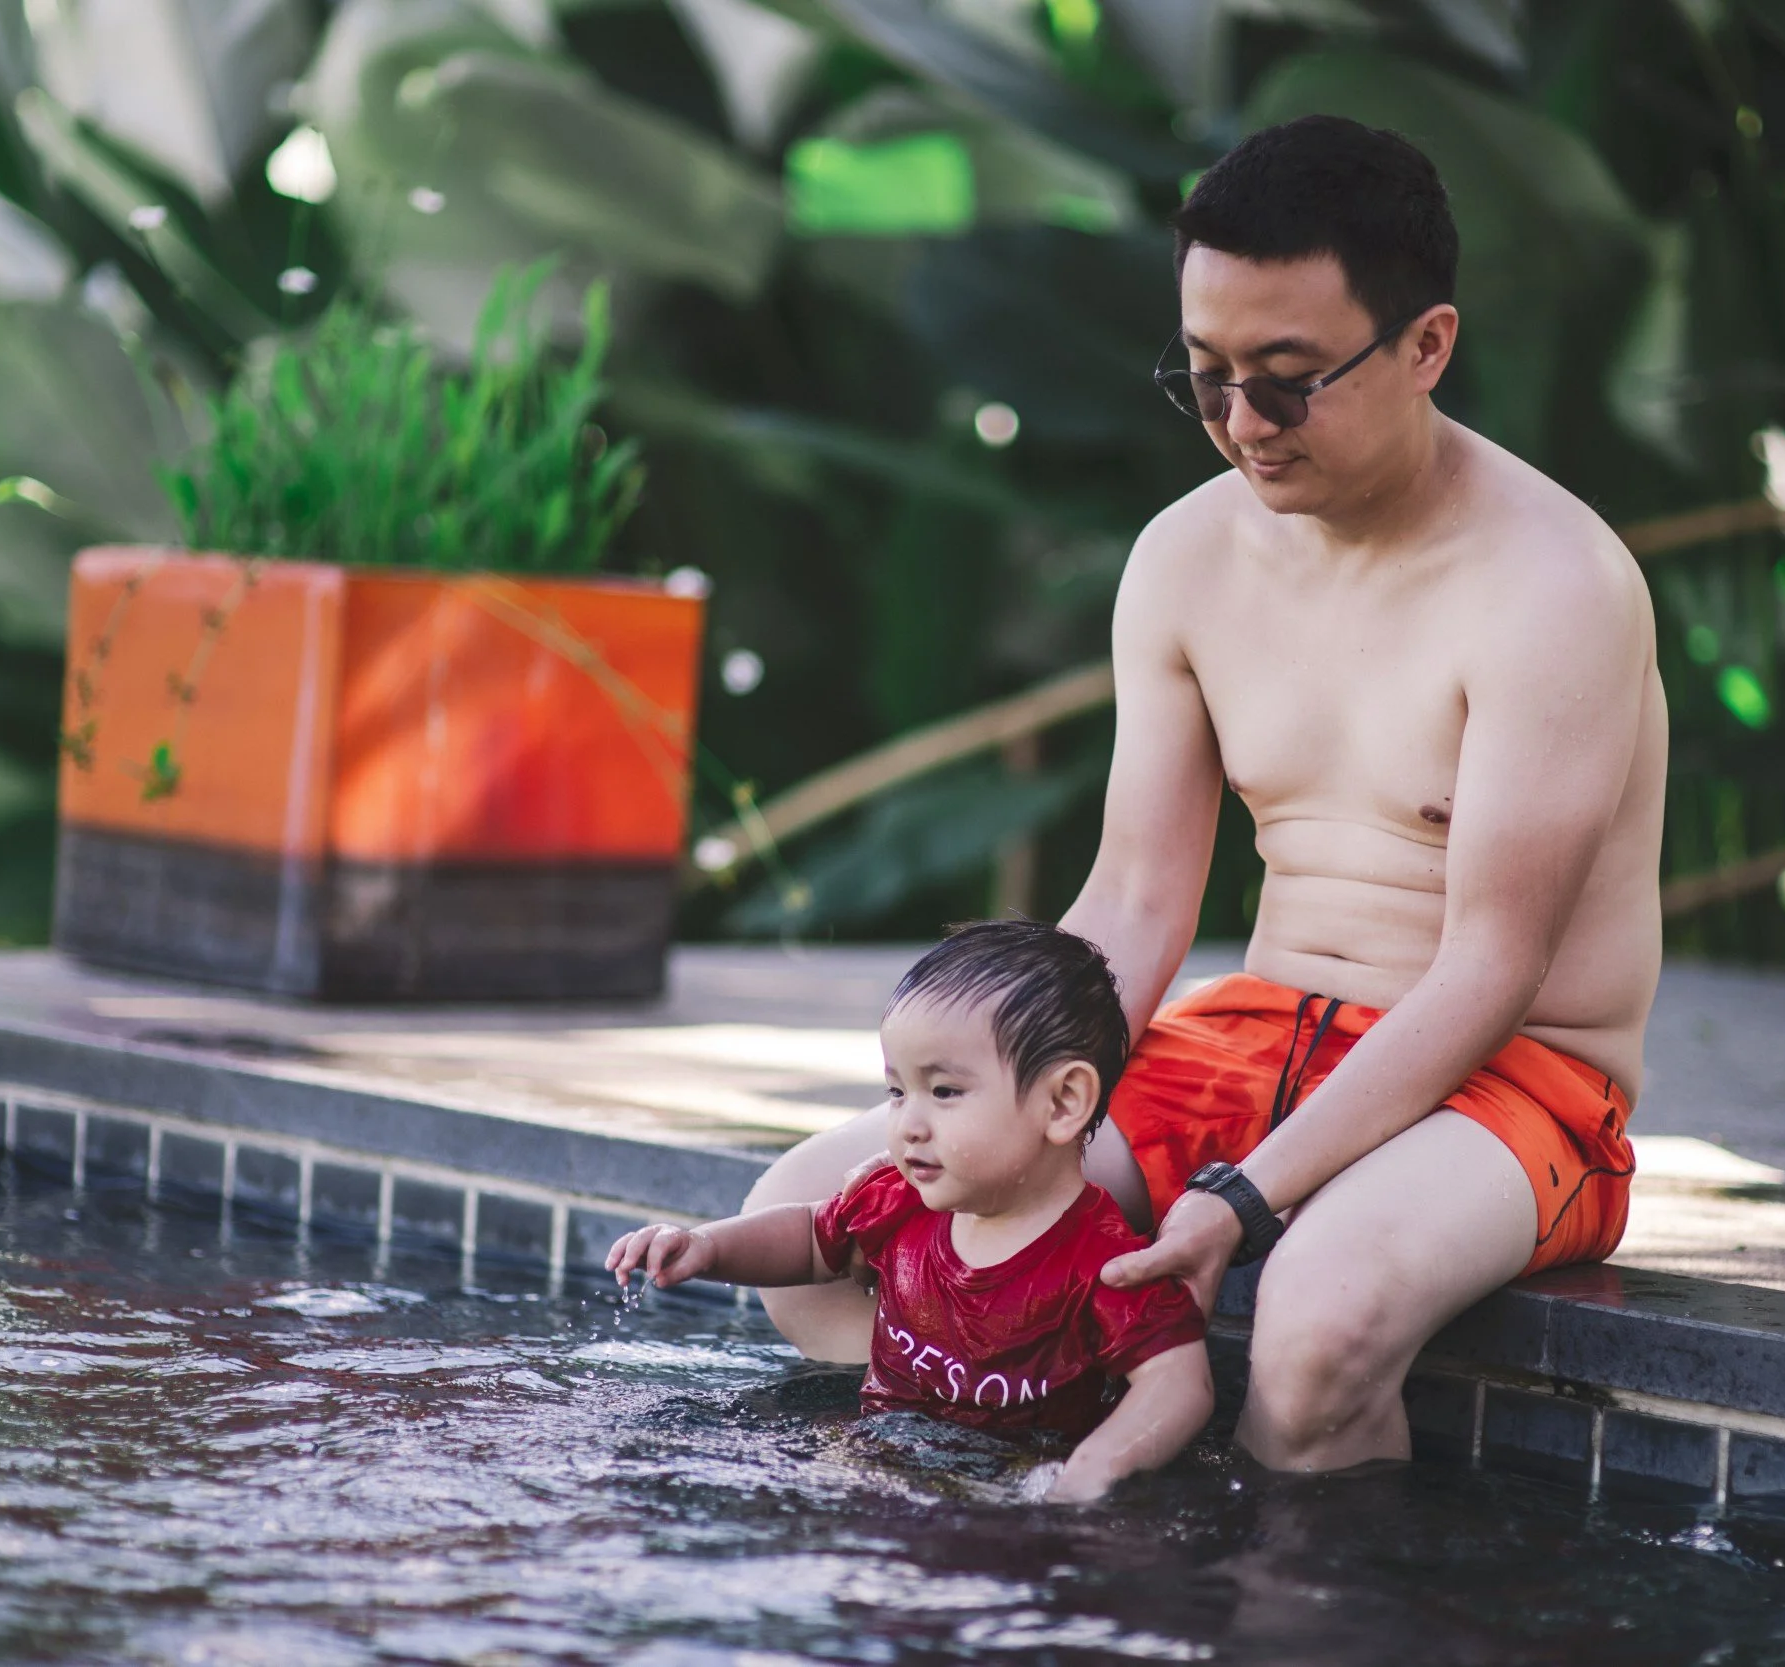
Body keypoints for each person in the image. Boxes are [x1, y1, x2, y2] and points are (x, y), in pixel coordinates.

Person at [746, 114, 1667, 1474]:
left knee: (1316, 1328)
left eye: (1286, 384)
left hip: (1516, 1073)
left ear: (1427, 345)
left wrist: (1247, 1193)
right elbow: (1132, 897)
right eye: (1206, 376)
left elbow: (1491, 965)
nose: (1242, 425)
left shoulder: (1554, 585)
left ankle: (1308, 1580)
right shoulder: (1185, 557)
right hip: (1251, 1039)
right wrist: (1004, 1097)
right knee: (820, 1227)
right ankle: (1041, 1519)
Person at [606, 920, 1214, 1502]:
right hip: (874, 1456)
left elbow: (1179, 1384)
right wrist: (707, 1247)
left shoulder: (1104, 1263)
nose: (907, 1125)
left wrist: (1094, 1467)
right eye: (897, 1092)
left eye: (944, 1091)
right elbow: (810, 1238)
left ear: (1062, 1102)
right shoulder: (901, 1202)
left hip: (1003, 1491)